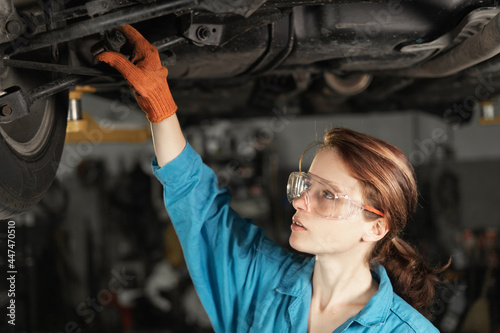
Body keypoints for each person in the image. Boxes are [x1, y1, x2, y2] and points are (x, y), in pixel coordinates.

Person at [95, 25, 447, 332]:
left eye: (327, 195)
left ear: (375, 227)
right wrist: (161, 108)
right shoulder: (261, 279)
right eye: (306, 184)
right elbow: (199, 208)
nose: (298, 201)